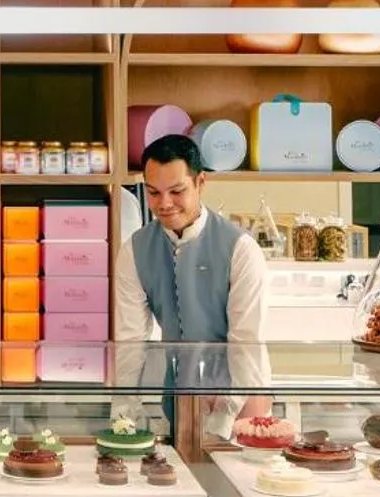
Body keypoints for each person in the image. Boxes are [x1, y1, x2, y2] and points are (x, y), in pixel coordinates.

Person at [113, 133, 266, 346]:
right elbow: (130, 342)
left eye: (177, 191)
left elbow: (247, 345)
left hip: (229, 377)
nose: (165, 204)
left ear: (200, 182)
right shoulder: (134, 251)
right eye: (154, 193)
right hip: (169, 376)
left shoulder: (241, 250)